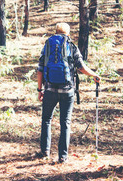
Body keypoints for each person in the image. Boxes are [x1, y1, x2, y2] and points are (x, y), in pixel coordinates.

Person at [37, 22, 101, 163]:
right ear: (68, 33)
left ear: (55, 32)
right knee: (65, 122)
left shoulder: (47, 45)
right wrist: (94, 74)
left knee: (46, 120)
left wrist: (39, 89)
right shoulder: (71, 46)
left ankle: (45, 151)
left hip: (49, 90)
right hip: (67, 90)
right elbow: (81, 67)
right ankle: (63, 157)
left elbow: (40, 69)